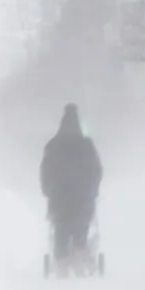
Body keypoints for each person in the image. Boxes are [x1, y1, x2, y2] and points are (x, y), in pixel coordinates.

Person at [40, 103, 103, 261]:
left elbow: (45, 170)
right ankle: (79, 251)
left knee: (60, 227)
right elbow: (97, 170)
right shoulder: (87, 146)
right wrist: (93, 189)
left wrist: (47, 189)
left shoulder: (53, 146)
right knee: (81, 225)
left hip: (58, 196)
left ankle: (61, 257)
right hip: (83, 196)